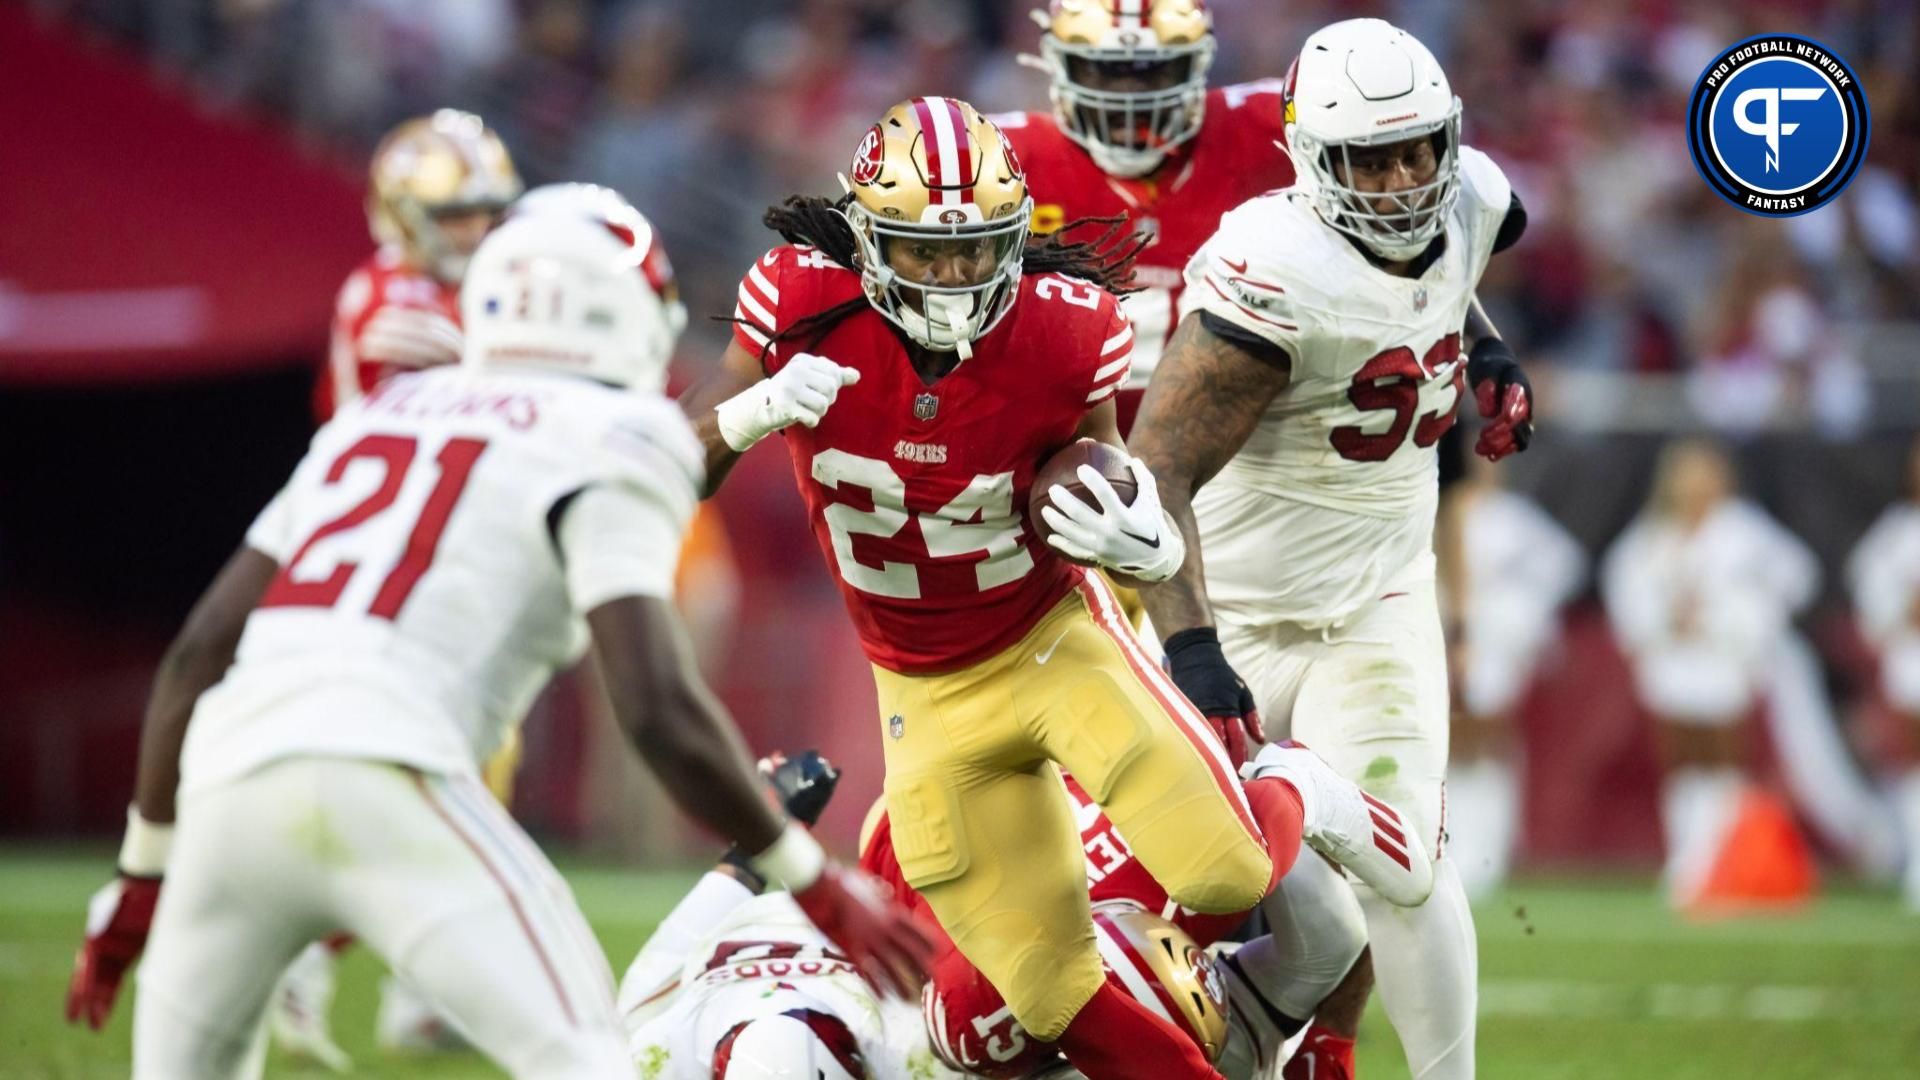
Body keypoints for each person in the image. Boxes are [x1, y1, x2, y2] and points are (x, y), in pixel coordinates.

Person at [64, 205, 932, 1080]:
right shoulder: (613, 435)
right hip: (393, 779)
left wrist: (141, 875)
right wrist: (803, 872)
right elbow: (657, 705)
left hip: (229, 789)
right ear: (628, 311)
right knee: (592, 1062)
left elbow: (200, 650)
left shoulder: (384, 409)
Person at [681, 95, 1429, 1080]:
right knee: (1042, 989)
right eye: (923, 253)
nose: (953, 278)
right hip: (919, 689)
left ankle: (1294, 783)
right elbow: (667, 474)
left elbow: (1119, 491)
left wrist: (1147, 548)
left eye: (975, 250)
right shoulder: (800, 306)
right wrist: (752, 413)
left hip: (1054, 640)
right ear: (866, 241)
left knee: (1227, 869)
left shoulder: (1067, 328)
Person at [1127, 19, 1535, 1079]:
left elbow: (1447, 283)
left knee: (1407, 872)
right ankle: (1264, 1031)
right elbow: (1153, 472)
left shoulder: (1475, 198)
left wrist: (1487, 351)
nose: (1403, 180)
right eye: (1371, 156)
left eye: (1418, 150)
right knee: (1194, 896)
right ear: (1314, 157)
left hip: (1378, 599)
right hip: (1239, 612)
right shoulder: (1275, 268)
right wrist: (1191, 650)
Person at [862, 758, 1380, 1080]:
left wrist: (1333, 1042)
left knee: (1327, 912)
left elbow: (1347, 930)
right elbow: (882, 827)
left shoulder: (1204, 873)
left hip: (1138, 820)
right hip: (959, 841)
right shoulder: (979, 1014)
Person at [998, 0, 1297, 434]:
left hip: (1242, 449)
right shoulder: (1002, 161)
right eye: (1104, 72)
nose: (1129, 100)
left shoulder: (1268, 128)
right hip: (1055, 446)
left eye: (1152, 72)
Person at [1603, 439, 1819, 908]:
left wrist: (1745, 623)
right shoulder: (1654, 537)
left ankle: (1726, 861)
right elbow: (1624, 586)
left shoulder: (1743, 532)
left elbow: (1797, 577)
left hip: (1723, 661)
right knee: (1682, 763)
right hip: (1674, 663)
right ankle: (1688, 860)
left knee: (1724, 761)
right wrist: (1658, 622)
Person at [316, 109, 521, 423]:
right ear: (404, 216)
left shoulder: (501, 277)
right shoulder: (394, 297)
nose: (479, 229)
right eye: (457, 215)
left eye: (490, 211)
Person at [1447, 456, 1586, 900]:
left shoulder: (1515, 519)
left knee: (1487, 743)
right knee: (1448, 744)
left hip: (1492, 642)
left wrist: (1522, 618)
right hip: (1445, 637)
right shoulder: (1437, 511)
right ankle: (1450, 848)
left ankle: (1490, 850)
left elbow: (1564, 566)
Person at [1848, 437, 1920, 911]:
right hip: (1910, 668)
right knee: (1912, 769)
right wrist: (1901, 612)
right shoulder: (1894, 535)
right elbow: (1870, 597)